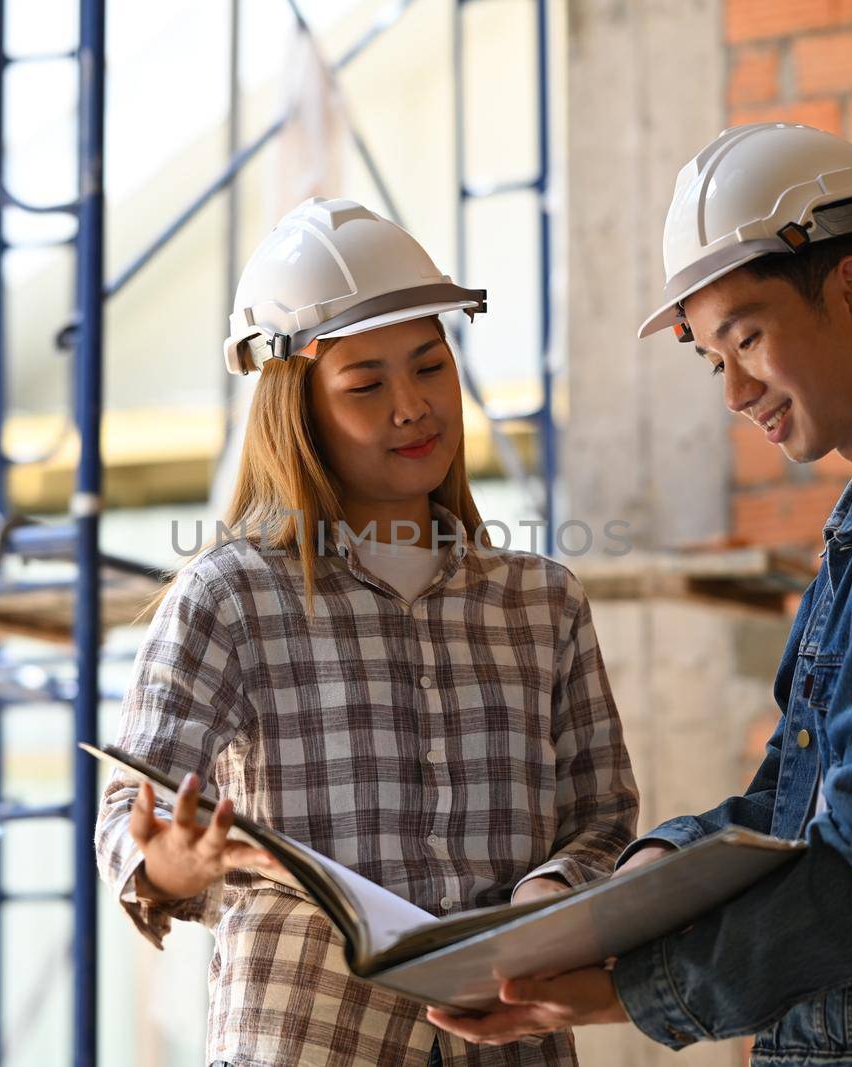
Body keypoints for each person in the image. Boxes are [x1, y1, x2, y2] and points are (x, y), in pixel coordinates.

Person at [429, 123, 852, 1066]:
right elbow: (795, 806)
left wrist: (628, 988)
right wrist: (655, 868)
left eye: (747, 336)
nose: (734, 389)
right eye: (711, 359)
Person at [95, 196, 639, 1066]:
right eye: (366, 384)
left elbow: (603, 815)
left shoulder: (543, 603)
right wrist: (175, 862)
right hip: (310, 1043)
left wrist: (546, 898)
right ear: (298, 410)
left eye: (430, 366)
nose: (412, 407)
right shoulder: (231, 596)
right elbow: (131, 819)